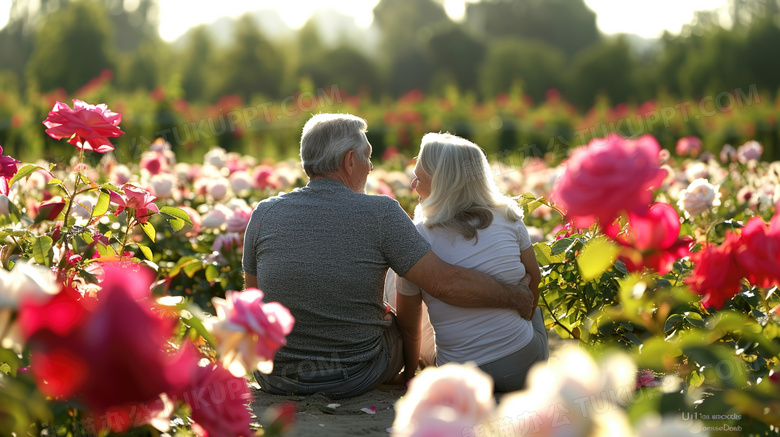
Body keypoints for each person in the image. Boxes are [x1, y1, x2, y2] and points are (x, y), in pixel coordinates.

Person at [242, 114, 535, 399]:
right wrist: (516, 297)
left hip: (275, 376)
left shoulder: (264, 213)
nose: (371, 167)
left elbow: (253, 301)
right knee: (402, 298)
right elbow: (445, 284)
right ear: (349, 160)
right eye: (367, 157)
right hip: (356, 373)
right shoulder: (382, 213)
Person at [389, 132, 548, 392]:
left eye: (420, 177)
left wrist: (409, 372)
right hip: (524, 367)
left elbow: (408, 320)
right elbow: (534, 281)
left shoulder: (418, 235)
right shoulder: (509, 217)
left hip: (461, 378)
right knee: (532, 312)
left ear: (442, 183)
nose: (413, 184)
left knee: (404, 290)